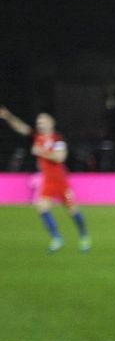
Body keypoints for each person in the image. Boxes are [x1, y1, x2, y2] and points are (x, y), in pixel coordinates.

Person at [0, 106, 90, 253]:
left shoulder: (58, 139)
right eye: (38, 121)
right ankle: (57, 238)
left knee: (73, 211)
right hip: (48, 181)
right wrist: (8, 116)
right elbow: (20, 127)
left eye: (43, 121)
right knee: (42, 207)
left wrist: (41, 152)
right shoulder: (37, 137)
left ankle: (84, 235)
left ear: (51, 123)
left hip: (61, 182)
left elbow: (60, 157)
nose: (40, 123)